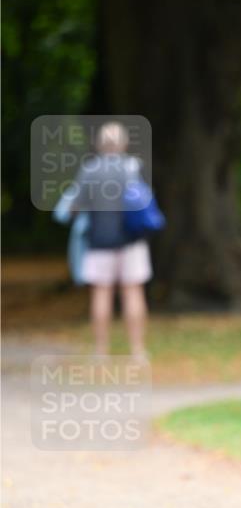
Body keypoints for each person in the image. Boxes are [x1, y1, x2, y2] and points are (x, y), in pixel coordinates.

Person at [73, 122, 152, 360]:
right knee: (133, 292)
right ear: (124, 143)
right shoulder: (133, 167)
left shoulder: (89, 170)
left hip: (99, 241)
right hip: (131, 241)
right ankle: (138, 350)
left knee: (101, 293)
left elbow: (76, 207)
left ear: (99, 144)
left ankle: (101, 350)